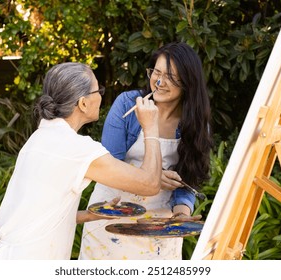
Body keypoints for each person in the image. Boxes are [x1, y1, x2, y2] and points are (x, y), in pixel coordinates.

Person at [0, 62, 162, 260]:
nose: (101, 95)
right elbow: (150, 184)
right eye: (98, 90)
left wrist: (91, 215)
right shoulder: (76, 149)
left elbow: (36, 213)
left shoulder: (41, 138)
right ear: (83, 103)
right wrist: (150, 127)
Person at [79, 42, 213, 260]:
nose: (159, 82)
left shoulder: (196, 124)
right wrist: (152, 178)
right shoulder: (127, 105)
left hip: (158, 223)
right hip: (112, 210)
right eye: (156, 72)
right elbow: (108, 167)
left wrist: (181, 215)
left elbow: (188, 178)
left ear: (188, 82)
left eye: (170, 77)